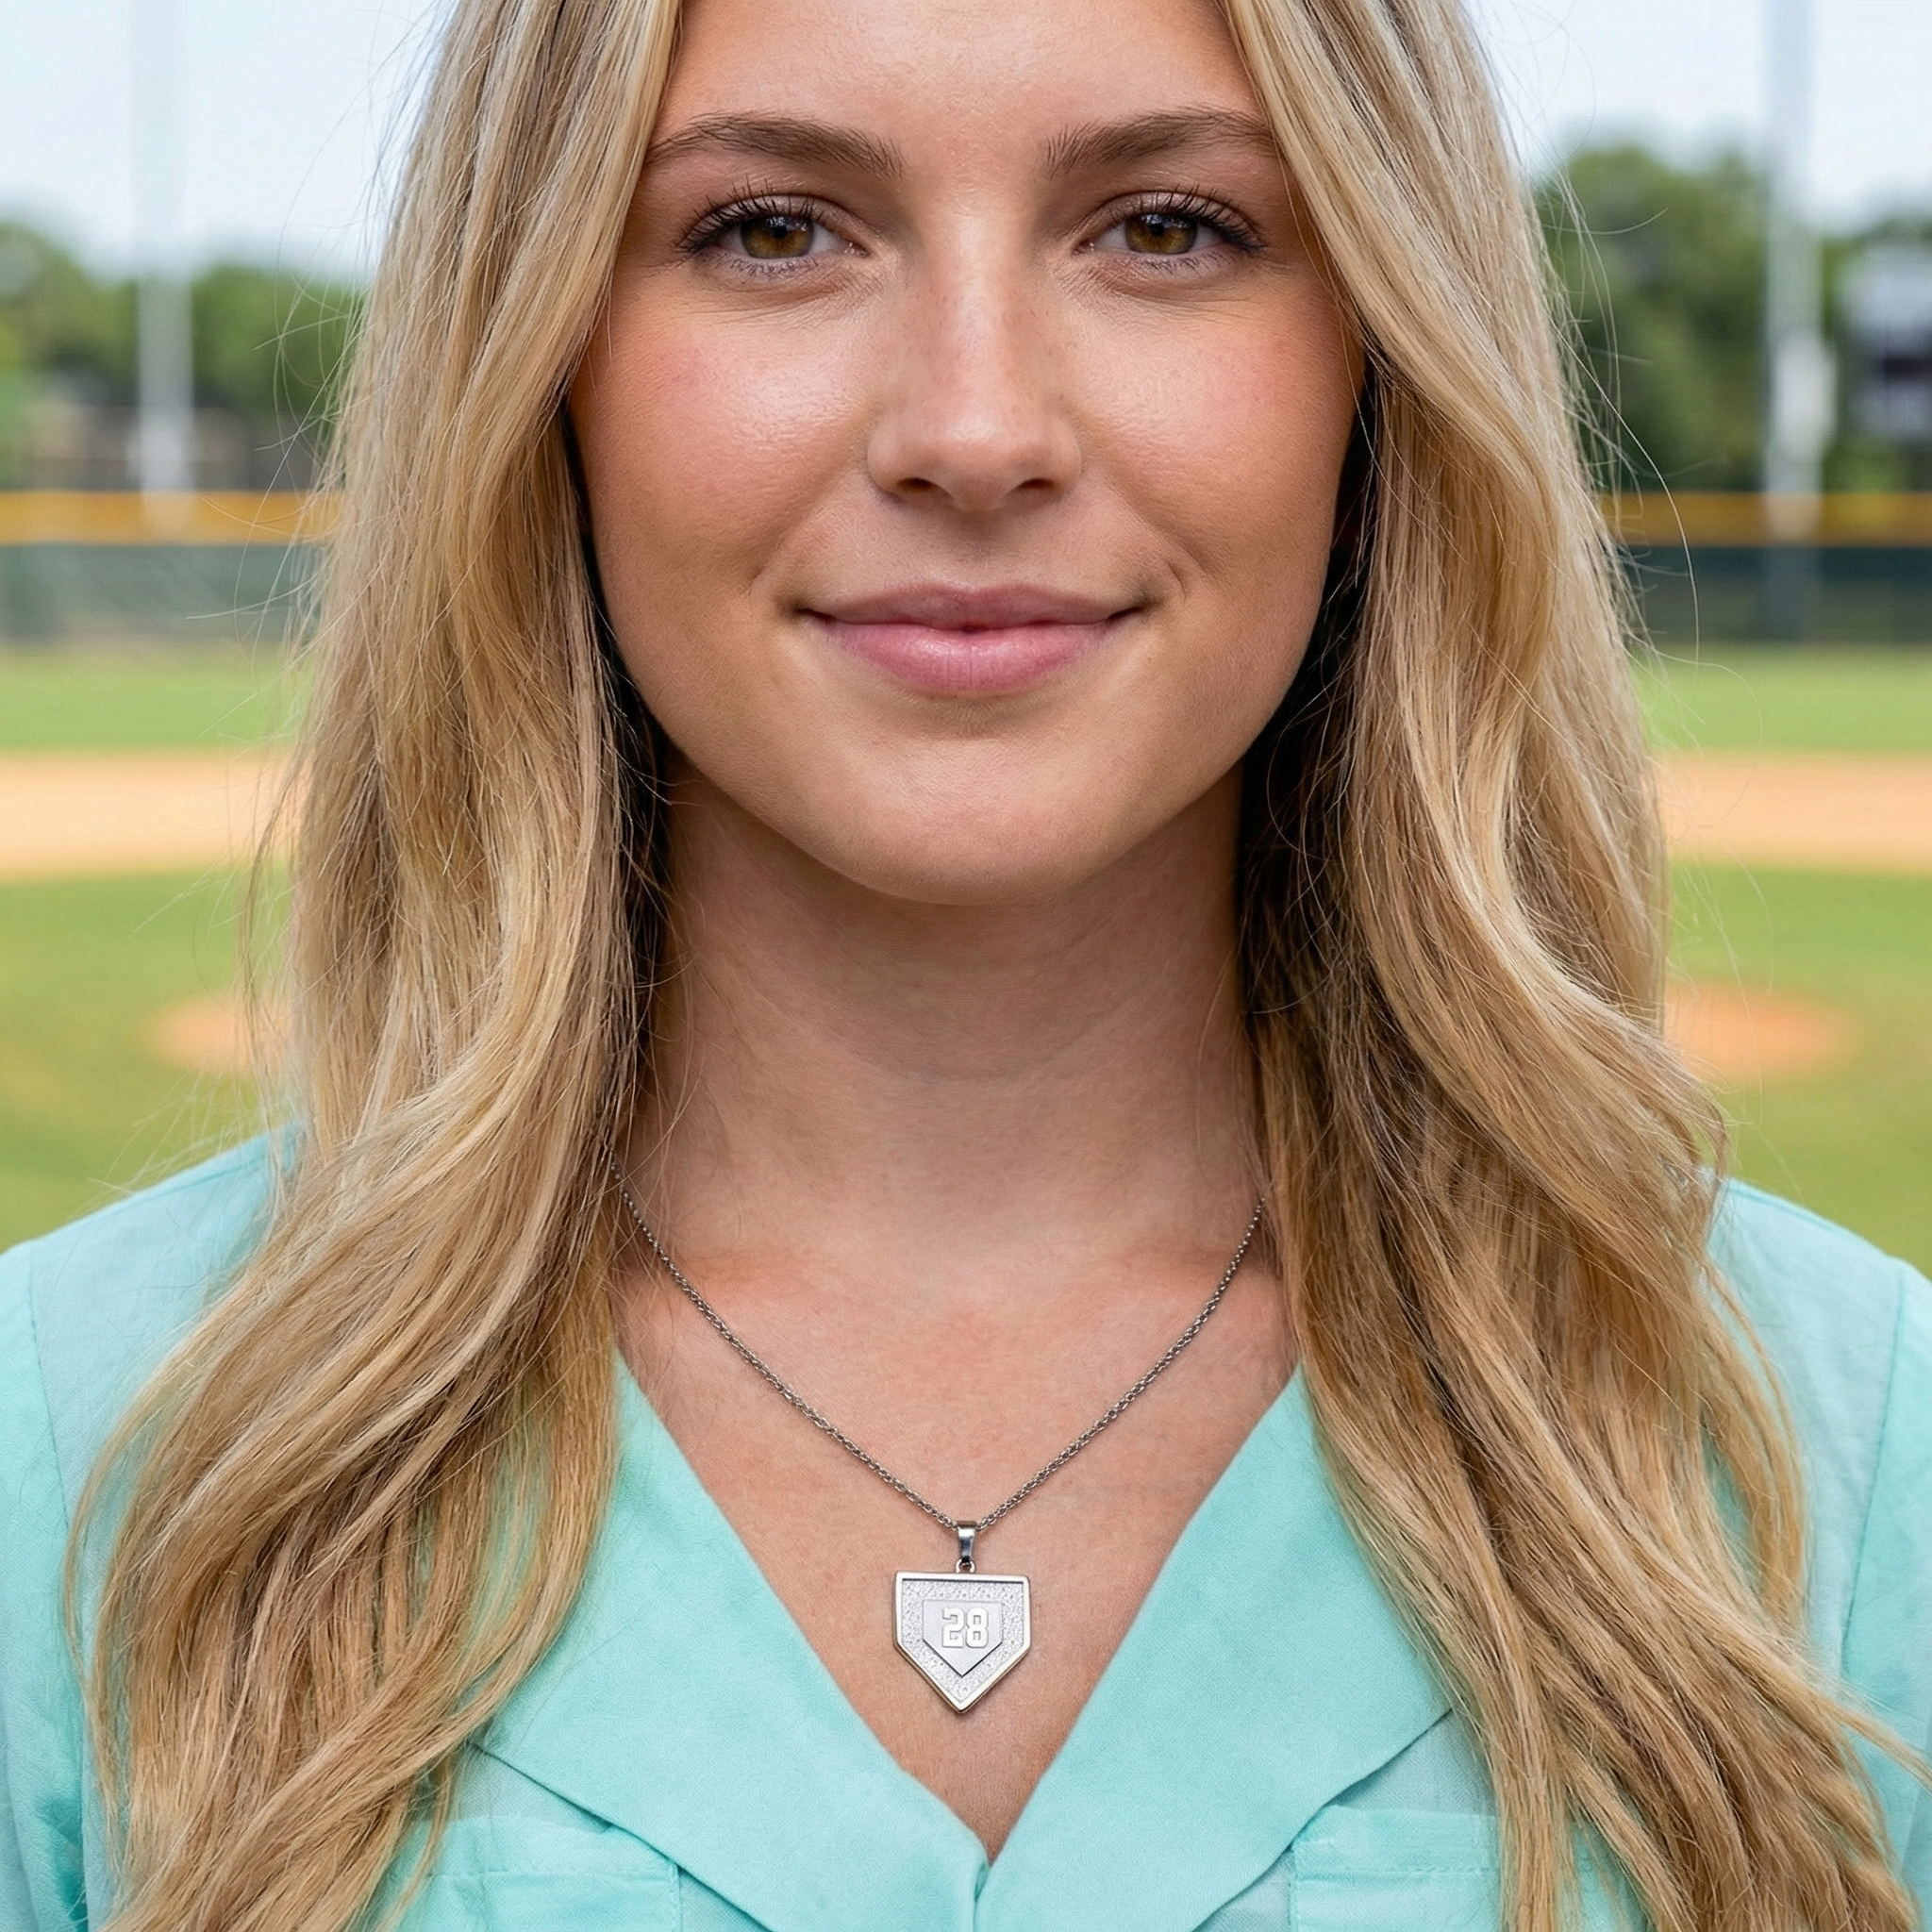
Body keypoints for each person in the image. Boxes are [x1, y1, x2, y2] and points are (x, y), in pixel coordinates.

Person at [2, 0, 1927, 1924]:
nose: (976, 431)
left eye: (1166, 227)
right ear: (544, 360)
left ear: (1381, 358)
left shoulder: (1852, 1456)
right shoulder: (66, 1446)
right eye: (773, 230)